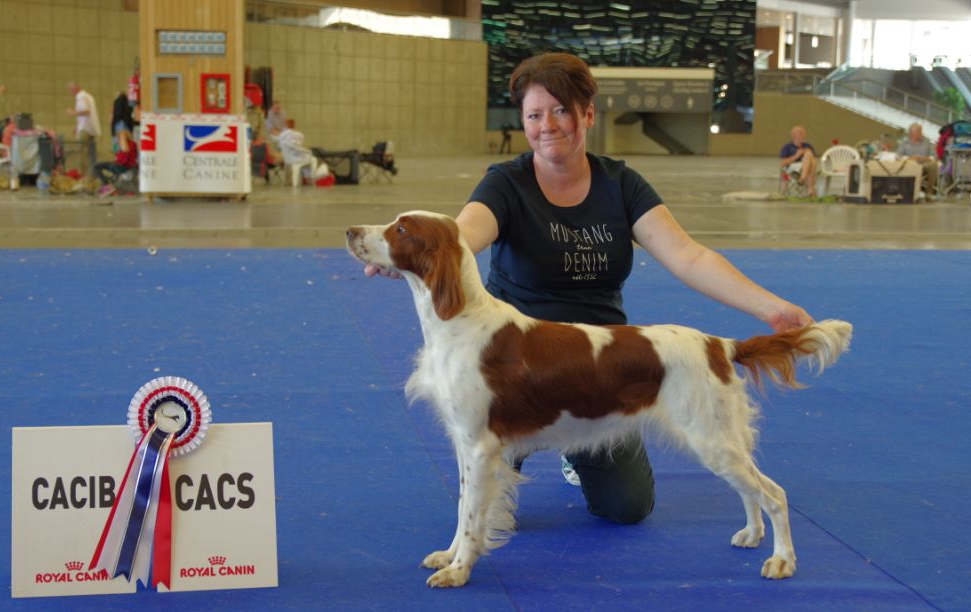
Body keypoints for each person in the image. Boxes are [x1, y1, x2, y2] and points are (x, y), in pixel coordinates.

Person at [364, 52, 813, 526]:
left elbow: (689, 257)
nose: (547, 125)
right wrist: (409, 253)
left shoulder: (621, 185)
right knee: (484, 462)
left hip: (597, 368)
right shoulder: (506, 183)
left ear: (587, 114)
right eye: (534, 115)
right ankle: (520, 450)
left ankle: (571, 447)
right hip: (512, 367)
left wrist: (772, 308)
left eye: (561, 111)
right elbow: (460, 237)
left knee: (628, 507)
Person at [67, 81, 101, 178]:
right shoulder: (88, 96)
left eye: (71, 89)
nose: (70, 92)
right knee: (90, 155)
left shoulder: (81, 97)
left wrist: (73, 113)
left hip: (85, 130)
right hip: (91, 129)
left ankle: (84, 177)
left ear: (75, 88)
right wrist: (77, 126)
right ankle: (91, 177)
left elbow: (86, 111)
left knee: (80, 153)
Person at [897, 123, 939, 200]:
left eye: (920, 131)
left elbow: (934, 156)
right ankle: (903, 191)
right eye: (918, 131)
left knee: (933, 165)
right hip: (908, 165)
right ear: (911, 133)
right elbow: (899, 156)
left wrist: (924, 158)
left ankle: (929, 193)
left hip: (924, 166)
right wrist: (910, 159)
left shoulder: (927, 142)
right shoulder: (904, 142)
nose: (920, 133)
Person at [778, 126, 817, 197]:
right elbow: (782, 163)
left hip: (807, 168)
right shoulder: (787, 147)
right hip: (793, 169)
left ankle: (802, 178)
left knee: (810, 157)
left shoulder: (808, 146)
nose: (804, 135)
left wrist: (807, 154)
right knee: (810, 157)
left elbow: (814, 160)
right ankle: (810, 188)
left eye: (804, 133)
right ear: (794, 136)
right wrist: (796, 155)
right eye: (801, 133)